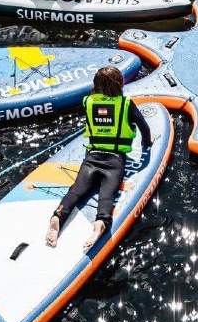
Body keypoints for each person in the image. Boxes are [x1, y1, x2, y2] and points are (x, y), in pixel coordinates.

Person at [46, 66, 153, 251]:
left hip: (92, 158)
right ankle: (100, 224)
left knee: (76, 191)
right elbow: (144, 127)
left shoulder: (88, 101)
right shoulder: (126, 104)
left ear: (95, 84)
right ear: (120, 84)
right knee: (106, 195)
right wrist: (147, 143)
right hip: (115, 161)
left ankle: (58, 216)